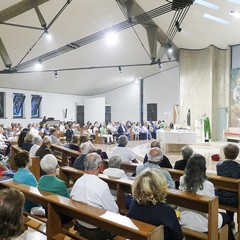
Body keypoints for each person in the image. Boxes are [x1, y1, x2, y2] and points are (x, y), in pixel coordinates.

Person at [179, 154, 234, 240]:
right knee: (226, 217)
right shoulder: (208, 185)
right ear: (203, 167)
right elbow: (213, 206)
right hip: (204, 225)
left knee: (224, 218)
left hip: (185, 219)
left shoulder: (182, 179)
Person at [71, 153, 118, 240]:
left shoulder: (78, 181)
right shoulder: (102, 185)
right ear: (100, 166)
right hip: (97, 231)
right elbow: (114, 211)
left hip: (80, 225)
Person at [127, 168, 183, 240]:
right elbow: (179, 237)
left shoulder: (134, 204)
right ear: (160, 187)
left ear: (137, 186)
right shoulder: (166, 211)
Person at [216, 143, 240, 229]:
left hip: (219, 196)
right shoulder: (238, 167)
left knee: (225, 190)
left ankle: (227, 220)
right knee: (232, 192)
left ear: (224, 154)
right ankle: (231, 220)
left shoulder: (219, 165)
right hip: (234, 199)